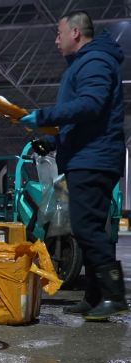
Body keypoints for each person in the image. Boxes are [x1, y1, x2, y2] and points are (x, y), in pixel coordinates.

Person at [20, 10, 127, 320]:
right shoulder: (87, 63)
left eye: (59, 33)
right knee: (86, 228)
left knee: (86, 227)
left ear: (76, 33)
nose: (56, 40)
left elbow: (90, 106)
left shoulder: (94, 63)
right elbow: (86, 120)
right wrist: (54, 143)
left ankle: (114, 295)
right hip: (88, 155)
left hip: (94, 159)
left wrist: (44, 117)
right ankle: (94, 297)